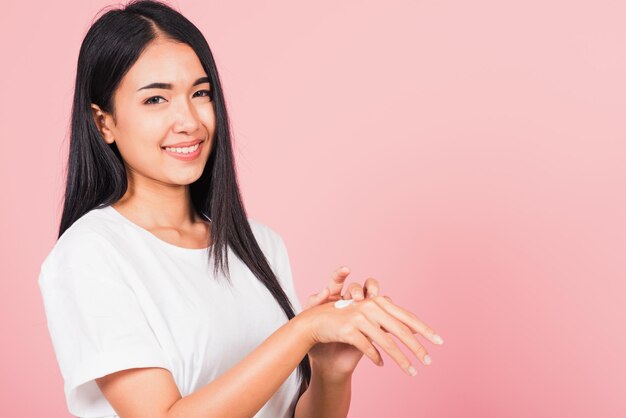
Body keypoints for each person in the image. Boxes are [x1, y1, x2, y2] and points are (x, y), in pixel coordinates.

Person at [37, 1, 444, 417]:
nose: (189, 120)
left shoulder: (259, 244)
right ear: (103, 122)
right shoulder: (89, 255)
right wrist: (301, 332)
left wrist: (328, 371)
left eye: (200, 93)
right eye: (156, 99)